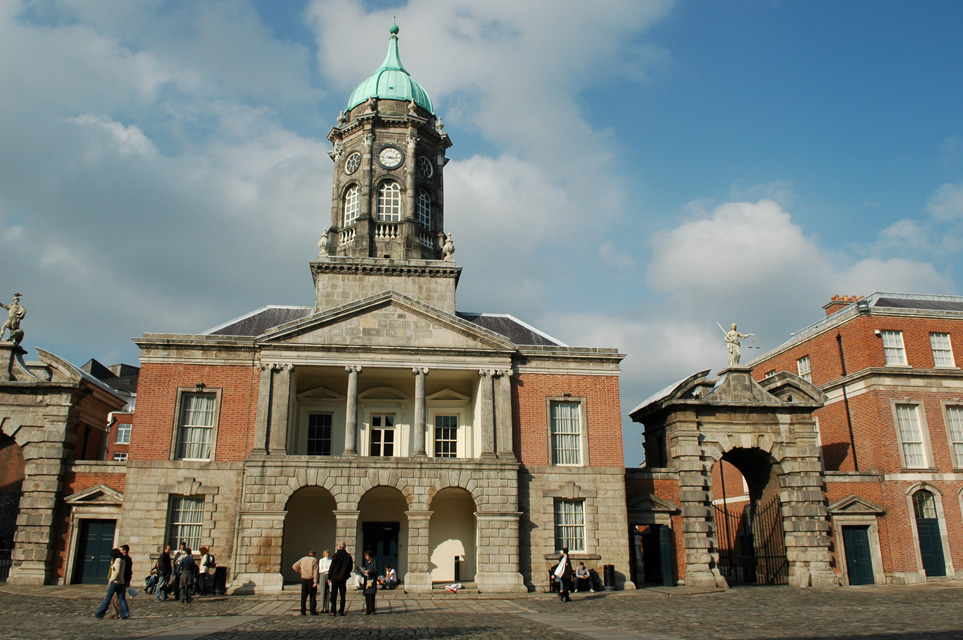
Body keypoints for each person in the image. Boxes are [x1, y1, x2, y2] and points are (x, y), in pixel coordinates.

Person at [93, 549, 130, 619]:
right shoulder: (123, 560)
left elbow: (117, 571)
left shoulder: (118, 560)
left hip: (116, 582)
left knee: (108, 598)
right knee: (121, 598)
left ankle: (99, 613)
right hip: (122, 581)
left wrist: (112, 579)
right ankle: (125, 613)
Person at [327, 540, 353, 616]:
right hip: (343, 578)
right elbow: (350, 567)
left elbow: (332, 567)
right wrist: (346, 574)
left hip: (335, 578)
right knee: (342, 595)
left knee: (334, 595)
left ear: (338, 547)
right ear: (344, 547)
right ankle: (341, 610)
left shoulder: (335, 555)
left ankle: (333, 610)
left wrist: (329, 577)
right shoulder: (348, 556)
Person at [292, 549, 320, 615]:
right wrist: (315, 581)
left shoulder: (303, 559)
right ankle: (312, 610)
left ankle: (303, 611)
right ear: (314, 555)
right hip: (311, 579)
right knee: (312, 596)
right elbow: (315, 571)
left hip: (304, 579)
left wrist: (300, 571)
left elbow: (294, 566)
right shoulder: (314, 560)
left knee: (304, 596)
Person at [362, 550, 377, 615]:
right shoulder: (366, 563)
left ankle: (372, 610)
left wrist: (370, 571)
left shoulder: (374, 562)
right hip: (367, 580)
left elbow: (376, 570)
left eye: (367, 556)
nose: (366, 557)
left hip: (372, 580)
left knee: (371, 596)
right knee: (367, 596)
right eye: (365, 556)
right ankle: (368, 610)